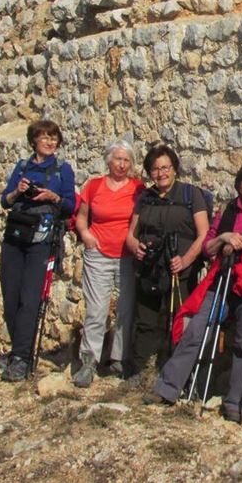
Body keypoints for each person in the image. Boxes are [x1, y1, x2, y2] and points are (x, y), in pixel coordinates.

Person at [147, 161, 242, 419]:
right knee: (197, 329)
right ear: (238, 185)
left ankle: (237, 405)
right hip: (223, 279)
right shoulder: (228, 209)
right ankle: (167, 387)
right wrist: (224, 238)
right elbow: (209, 246)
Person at [0, 119, 76, 382]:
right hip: (15, 237)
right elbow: (4, 200)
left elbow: (70, 206)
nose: (50, 141)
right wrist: (17, 192)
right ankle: (18, 350)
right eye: (45, 137)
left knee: (31, 298)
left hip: (42, 239)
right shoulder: (22, 167)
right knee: (11, 298)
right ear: (34, 141)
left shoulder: (63, 170)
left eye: (54, 137)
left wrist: (51, 197)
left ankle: (20, 357)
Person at [124, 143, 210, 376]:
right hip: (150, 268)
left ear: (174, 169)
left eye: (165, 168)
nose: (161, 173)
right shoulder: (145, 198)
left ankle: (177, 372)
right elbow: (131, 234)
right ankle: (138, 370)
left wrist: (186, 260)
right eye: (155, 169)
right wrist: (136, 248)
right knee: (145, 320)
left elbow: (203, 233)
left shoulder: (191, 194)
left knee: (180, 320)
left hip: (180, 269)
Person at [72, 140, 146, 387]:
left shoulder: (138, 189)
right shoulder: (94, 186)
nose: (122, 165)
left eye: (127, 160)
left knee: (125, 309)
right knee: (96, 309)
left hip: (126, 257)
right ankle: (89, 362)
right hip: (99, 255)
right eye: (118, 159)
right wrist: (86, 236)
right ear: (108, 160)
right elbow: (81, 217)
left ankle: (119, 358)